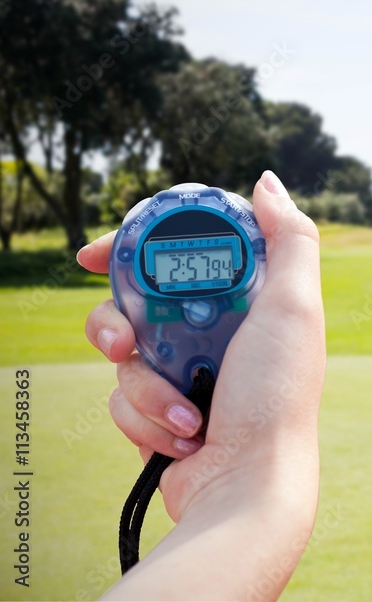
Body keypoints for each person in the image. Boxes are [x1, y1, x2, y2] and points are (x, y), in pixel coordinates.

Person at [78, 171, 326, 600]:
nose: (194, 309)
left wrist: (244, 479)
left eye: (207, 264)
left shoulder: (146, 247)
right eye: (178, 267)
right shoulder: (204, 242)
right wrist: (240, 493)